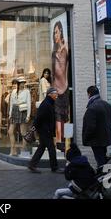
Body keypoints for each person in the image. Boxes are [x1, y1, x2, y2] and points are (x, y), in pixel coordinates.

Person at [28, 87, 64, 174]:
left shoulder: (49, 103)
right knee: (51, 149)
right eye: (55, 93)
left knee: (41, 148)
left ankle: (32, 165)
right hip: (45, 131)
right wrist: (34, 128)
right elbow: (38, 117)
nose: (56, 95)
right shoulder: (46, 104)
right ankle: (54, 167)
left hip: (46, 130)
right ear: (50, 94)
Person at [82, 86, 111, 168]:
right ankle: (106, 176)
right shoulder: (106, 104)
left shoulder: (92, 107)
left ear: (89, 94)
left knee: (100, 161)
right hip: (105, 138)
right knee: (103, 158)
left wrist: (86, 138)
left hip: (96, 140)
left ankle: (103, 177)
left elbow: (90, 127)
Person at [51, 21, 69, 151]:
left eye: (56, 32)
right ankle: (59, 147)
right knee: (58, 126)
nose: (55, 35)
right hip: (56, 92)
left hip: (65, 90)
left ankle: (66, 147)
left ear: (61, 32)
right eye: (54, 32)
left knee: (65, 121)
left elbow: (64, 71)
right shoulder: (54, 53)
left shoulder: (65, 50)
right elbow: (54, 74)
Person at [8, 77, 31, 156]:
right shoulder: (14, 91)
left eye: (23, 83)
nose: (22, 84)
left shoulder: (27, 91)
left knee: (23, 132)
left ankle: (23, 149)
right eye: (21, 83)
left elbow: (29, 103)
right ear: (18, 83)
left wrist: (28, 115)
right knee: (10, 131)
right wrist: (10, 114)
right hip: (14, 110)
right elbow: (11, 103)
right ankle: (13, 149)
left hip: (22, 110)